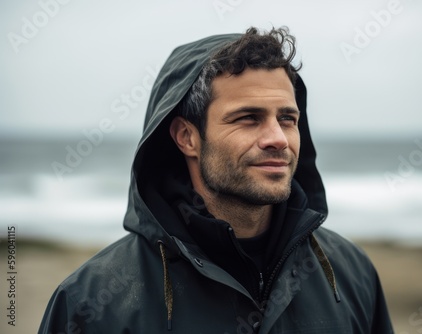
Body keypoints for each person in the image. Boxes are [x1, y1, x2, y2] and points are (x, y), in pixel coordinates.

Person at [39, 27, 393, 334]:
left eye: (287, 118)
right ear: (187, 137)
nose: (278, 139)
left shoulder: (350, 273)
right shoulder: (91, 302)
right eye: (248, 118)